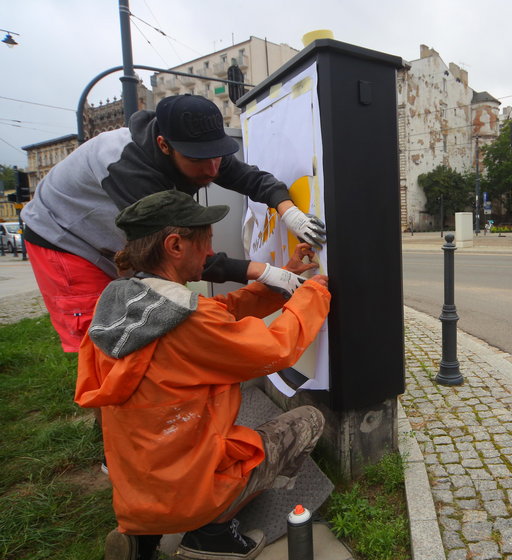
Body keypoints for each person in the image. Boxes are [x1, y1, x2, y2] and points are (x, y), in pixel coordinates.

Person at [74, 190, 331, 560]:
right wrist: (313, 295)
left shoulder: (120, 304)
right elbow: (276, 349)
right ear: (175, 245)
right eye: (206, 242)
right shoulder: (190, 322)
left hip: (137, 484)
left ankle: (145, 533)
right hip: (190, 486)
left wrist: (282, 280)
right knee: (307, 420)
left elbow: (221, 311)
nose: (211, 254)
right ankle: (211, 530)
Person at [21, 93, 326, 353]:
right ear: (164, 145)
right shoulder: (128, 168)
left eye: (217, 156)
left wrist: (289, 212)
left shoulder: (202, 149)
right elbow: (175, 257)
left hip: (113, 238)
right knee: (100, 342)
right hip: (64, 238)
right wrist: (267, 272)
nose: (212, 168)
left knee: (142, 327)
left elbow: (253, 179)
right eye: (199, 160)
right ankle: (113, 416)